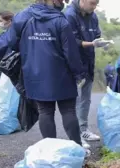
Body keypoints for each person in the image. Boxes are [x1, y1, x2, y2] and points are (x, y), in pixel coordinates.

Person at [6, 0, 88, 154]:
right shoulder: (60, 20)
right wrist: (79, 73)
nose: (63, 2)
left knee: (45, 111)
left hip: (34, 73)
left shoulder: (22, 17)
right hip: (62, 74)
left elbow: (11, 43)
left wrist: (29, 47)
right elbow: (70, 52)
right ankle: (78, 151)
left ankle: (51, 153)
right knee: (68, 111)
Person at [64, 0, 109, 148]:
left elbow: (96, 34)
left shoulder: (93, 16)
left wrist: (102, 42)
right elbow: (70, 41)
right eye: (92, 3)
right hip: (74, 63)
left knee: (86, 99)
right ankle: (75, 136)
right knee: (75, 101)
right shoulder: (69, 15)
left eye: (96, 4)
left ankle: (83, 130)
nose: (94, 7)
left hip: (89, 61)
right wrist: (91, 44)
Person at [0, 11, 14, 85]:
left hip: (8, 66)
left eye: (0, 21)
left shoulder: (10, 34)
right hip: (8, 65)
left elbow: (1, 50)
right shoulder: (7, 33)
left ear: (9, 21)